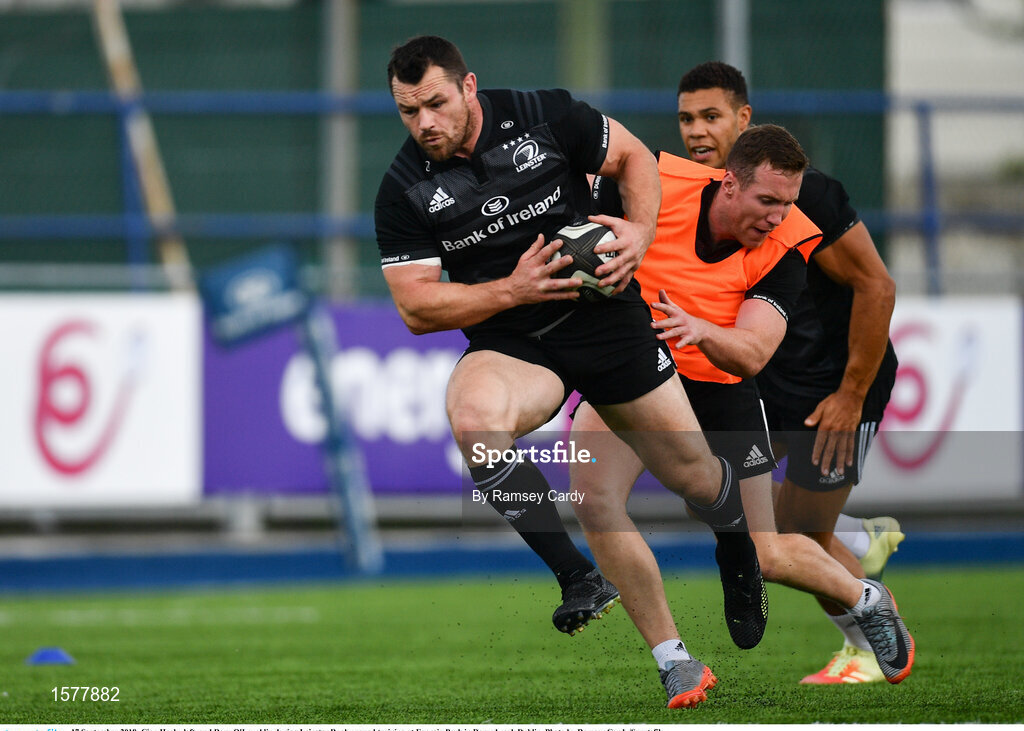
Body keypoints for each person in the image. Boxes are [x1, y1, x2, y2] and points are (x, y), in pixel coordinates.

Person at [374, 35, 762, 707]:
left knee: (694, 475)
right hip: (513, 340)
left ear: (469, 88)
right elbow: (416, 305)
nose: (424, 123)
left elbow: (636, 158)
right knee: (473, 419)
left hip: (607, 321)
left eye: (435, 103)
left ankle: (734, 537)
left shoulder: (542, 113)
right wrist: (511, 292)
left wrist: (638, 236)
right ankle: (619, 611)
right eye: (409, 111)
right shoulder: (403, 188)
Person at [573, 124, 914, 707]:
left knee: (769, 551)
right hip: (637, 371)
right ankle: (675, 661)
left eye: (787, 203)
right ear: (729, 183)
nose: (779, 216)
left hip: (722, 388)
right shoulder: (659, 181)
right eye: (767, 201)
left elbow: (754, 352)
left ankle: (865, 599)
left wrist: (700, 328)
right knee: (594, 502)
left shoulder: (789, 243)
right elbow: (581, 190)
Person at [676, 61, 905, 684]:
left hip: (831, 387)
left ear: (744, 119)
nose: (697, 131)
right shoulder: (684, 198)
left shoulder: (809, 197)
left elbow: (876, 285)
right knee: (717, 499)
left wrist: (851, 393)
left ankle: (865, 652)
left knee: (789, 540)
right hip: (766, 386)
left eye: (711, 116)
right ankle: (860, 540)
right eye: (686, 118)